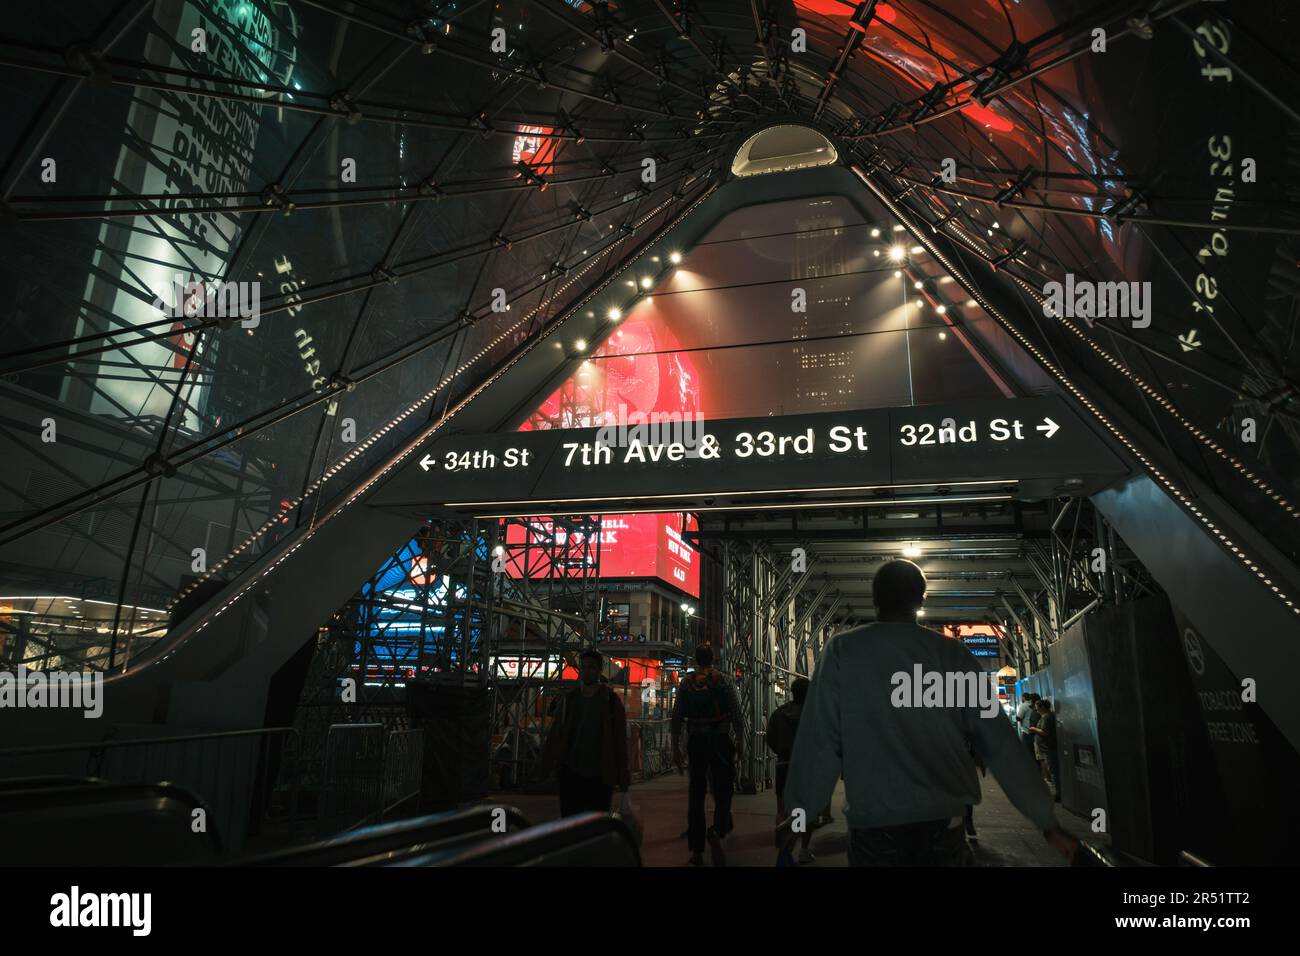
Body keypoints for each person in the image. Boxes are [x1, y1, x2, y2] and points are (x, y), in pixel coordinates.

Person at [782, 559, 1077, 866]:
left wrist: (799, 812)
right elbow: (1000, 742)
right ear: (921, 600)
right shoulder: (953, 655)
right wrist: (1046, 820)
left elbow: (820, 740)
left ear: (875, 599)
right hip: (944, 820)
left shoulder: (843, 651)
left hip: (874, 824)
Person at [671, 643, 745, 866]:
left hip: (696, 743)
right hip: (721, 741)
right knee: (724, 791)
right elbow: (737, 714)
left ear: (696, 659)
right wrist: (740, 743)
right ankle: (718, 830)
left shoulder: (687, 683)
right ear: (714, 658)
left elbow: (677, 717)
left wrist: (676, 748)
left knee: (696, 795)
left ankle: (696, 850)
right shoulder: (724, 680)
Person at [539, 649, 631, 816]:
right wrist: (546, 768)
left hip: (600, 775)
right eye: (584, 667)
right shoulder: (570, 700)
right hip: (571, 774)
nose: (587, 671)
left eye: (592, 667)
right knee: (571, 824)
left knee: (596, 826)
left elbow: (620, 740)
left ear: (599, 670)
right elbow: (555, 736)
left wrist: (623, 776)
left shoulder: (610, 700)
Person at [767, 677, 814, 864]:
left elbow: (770, 738)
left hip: (783, 765)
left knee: (782, 810)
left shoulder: (779, 713)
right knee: (805, 810)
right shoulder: (813, 714)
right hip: (806, 765)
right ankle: (801, 848)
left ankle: (783, 845)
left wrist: (780, 750)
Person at [1029, 697, 1062, 803]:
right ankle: (1056, 792)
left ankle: (1057, 794)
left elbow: (1044, 732)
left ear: (1042, 707)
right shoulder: (1047, 716)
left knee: (1053, 770)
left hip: (1049, 747)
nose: (1036, 709)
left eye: (1037, 707)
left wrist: (1034, 729)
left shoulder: (1046, 717)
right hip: (1048, 747)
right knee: (1051, 769)